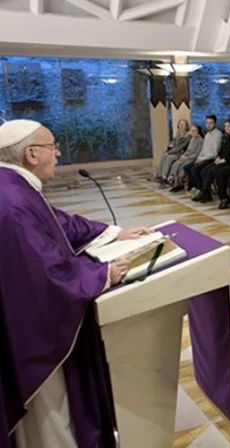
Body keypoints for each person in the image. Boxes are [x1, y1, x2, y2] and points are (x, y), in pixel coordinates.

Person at [0, 119, 152, 448]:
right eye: (52, 146)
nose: (57, 153)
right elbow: (42, 275)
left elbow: (58, 223)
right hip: (32, 337)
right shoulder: (12, 201)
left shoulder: (13, 186)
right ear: (31, 154)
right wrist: (100, 274)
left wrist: (113, 233)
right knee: (50, 417)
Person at [192, 119, 230, 203]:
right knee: (203, 171)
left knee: (212, 172)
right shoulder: (225, 136)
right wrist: (218, 157)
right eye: (225, 126)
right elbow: (221, 150)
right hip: (220, 160)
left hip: (228, 162)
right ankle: (206, 193)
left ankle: (205, 192)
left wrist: (223, 160)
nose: (226, 128)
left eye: (229, 126)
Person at [184, 115, 222, 195]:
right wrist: (199, 158)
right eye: (207, 123)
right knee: (186, 168)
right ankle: (201, 189)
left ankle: (204, 192)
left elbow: (215, 153)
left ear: (215, 123)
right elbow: (203, 149)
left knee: (195, 169)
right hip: (204, 158)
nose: (208, 125)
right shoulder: (207, 135)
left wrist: (202, 159)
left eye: (211, 123)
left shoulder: (218, 135)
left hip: (211, 159)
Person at [168, 125, 204, 192]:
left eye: (194, 131)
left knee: (182, 166)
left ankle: (179, 183)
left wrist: (187, 157)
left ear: (198, 131)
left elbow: (197, 153)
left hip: (193, 158)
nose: (193, 132)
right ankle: (175, 181)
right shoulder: (192, 139)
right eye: (191, 131)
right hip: (187, 156)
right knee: (176, 163)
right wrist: (183, 155)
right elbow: (188, 150)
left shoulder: (201, 140)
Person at [155, 118, 190, 185]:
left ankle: (164, 176)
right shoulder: (178, 133)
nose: (181, 126)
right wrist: (170, 145)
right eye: (180, 124)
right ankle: (159, 174)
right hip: (174, 151)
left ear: (186, 126)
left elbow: (179, 147)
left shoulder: (187, 136)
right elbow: (173, 141)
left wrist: (169, 152)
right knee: (163, 155)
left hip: (180, 153)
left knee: (169, 157)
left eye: (183, 125)